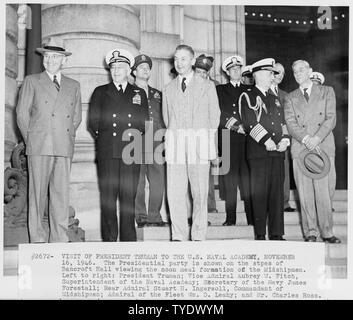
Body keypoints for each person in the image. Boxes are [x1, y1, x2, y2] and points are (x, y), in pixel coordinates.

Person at [16, 37, 82, 243]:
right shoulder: (32, 81)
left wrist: (66, 136)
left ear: (64, 60)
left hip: (63, 145)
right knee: (36, 195)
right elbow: (21, 114)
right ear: (43, 59)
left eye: (56, 56)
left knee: (61, 196)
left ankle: (59, 239)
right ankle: (37, 239)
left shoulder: (74, 85)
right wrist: (32, 139)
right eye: (47, 56)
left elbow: (77, 117)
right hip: (39, 145)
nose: (51, 60)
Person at [88, 48, 149, 241]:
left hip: (130, 151)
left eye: (120, 67)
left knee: (128, 199)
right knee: (108, 198)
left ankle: (128, 240)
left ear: (129, 69)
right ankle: (109, 241)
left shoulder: (138, 93)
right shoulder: (100, 92)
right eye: (113, 67)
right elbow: (93, 123)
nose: (115, 71)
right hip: (108, 152)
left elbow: (144, 123)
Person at [162, 44, 220, 241]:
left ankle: (198, 234)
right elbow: (167, 118)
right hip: (176, 146)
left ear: (193, 61)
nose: (179, 63)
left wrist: (206, 141)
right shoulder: (168, 89)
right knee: (174, 192)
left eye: (183, 59)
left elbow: (215, 116)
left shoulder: (207, 85)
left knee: (200, 193)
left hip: (199, 146)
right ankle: (178, 234)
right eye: (176, 59)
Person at [284, 60, 340, 243]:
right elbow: (291, 124)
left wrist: (316, 138)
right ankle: (311, 232)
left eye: (301, 70)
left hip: (322, 146)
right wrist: (307, 139)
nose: (298, 73)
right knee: (305, 193)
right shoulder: (290, 97)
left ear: (310, 71)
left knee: (324, 192)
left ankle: (327, 232)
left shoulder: (327, 91)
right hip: (301, 148)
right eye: (295, 71)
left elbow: (330, 118)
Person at [239, 58, 290, 240]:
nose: (273, 77)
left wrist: (285, 140)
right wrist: (267, 140)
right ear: (259, 75)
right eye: (270, 73)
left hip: (277, 153)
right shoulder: (248, 96)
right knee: (259, 194)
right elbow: (250, 122)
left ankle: (276, 233)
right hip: (259, 152)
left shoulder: (275, 98)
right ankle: (260, 233)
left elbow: (282, 123)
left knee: (276, 194)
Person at [216, 55, 253, 226]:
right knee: (229, 181)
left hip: (248, 141)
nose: (236, 71)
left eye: (238, 68)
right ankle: (230, 218)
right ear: (227, 72)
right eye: (232, 69)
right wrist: (236, 126)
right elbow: (218, 112)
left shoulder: (250, 90)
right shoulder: (220, 90)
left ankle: (252, 217)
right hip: (228, 139)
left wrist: (247, 127)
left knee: (248, 180)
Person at [132, 54, 166, 227]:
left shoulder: (158, 94)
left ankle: (155, 215)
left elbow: (164, 118)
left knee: (158, 179)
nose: (145, 70)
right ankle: (141, 216)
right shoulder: (129, 92)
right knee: (138, 181)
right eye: (141, 67)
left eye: (147, 68)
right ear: (134, 71)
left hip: (156, 140)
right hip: (136, 140)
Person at [194, 54, 218, 215]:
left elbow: (215, 116)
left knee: (206, 174)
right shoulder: (186, 85)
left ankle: (210, 205)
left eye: (205, 73)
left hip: (207, 136)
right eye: (199, 71)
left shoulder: (213, 87)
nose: (202, 75)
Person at [270, 62, 296, 213]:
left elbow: (289, 120)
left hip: (283, 139)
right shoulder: (260, 92)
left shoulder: (286, 96)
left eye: (282, 73)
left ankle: (285, 202)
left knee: (284, 171)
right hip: (265, 140)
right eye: (277, 72)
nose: (280, 76)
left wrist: (286, 139)